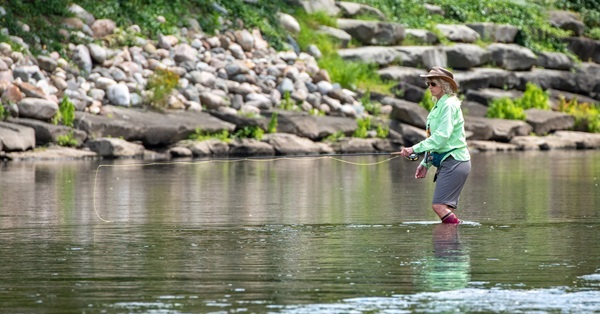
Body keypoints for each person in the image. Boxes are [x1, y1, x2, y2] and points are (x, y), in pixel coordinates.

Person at [396, 67, 471, 224]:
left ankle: (451, 239)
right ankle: (450, 243)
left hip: (455, 160)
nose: (429, 86)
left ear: (444, 85)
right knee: (442, 207)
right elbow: (433, 137)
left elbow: (442, 138)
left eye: (433, 83)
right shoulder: (439, 105)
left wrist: (413, 149)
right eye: (428, 83)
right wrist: (426, 163)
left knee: (439, 206)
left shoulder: (449, 105)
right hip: (448, 161)